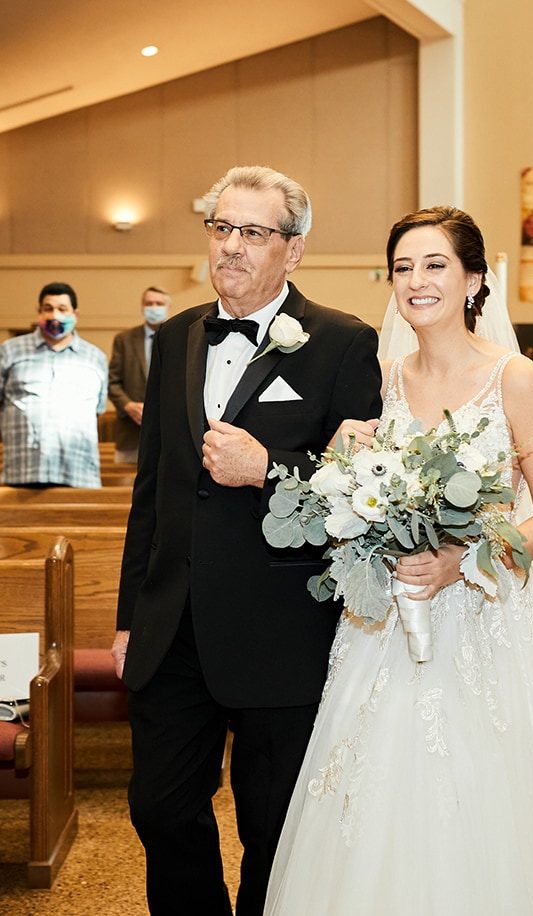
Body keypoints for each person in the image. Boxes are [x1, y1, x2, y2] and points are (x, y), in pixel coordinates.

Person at [263, 207, 533, 915]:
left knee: (492, 792)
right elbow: (352, 493)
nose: (416, 281)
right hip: (386, 632)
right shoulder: (379, 380)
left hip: (488, 622)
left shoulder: (516, 379)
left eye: (434, 264)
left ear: (473, 279)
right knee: (377, 798)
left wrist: (462, 559)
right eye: (403, 267)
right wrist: (347, 477)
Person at [111, 165, 383, 916]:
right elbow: (154, 490)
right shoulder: (176, 339)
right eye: (220, 227)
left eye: (253, 232)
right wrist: (132, 616)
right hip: (173, 630)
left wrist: (269, 468)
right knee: (161, 811)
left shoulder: (342, 343)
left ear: (292, 251)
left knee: (275, 829)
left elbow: (365, 486)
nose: (230, 246)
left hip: (282, 632)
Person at [0, 281, 108, 488]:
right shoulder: (9, 351)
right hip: (22, 469)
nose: (54, 315)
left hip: (78, 471)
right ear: (39, 312)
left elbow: (98, 411)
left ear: (75, 314)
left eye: (62, 309)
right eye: (48, 309)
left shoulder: (95, 357)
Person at [108, 285, 171, 462]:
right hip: (130, 436)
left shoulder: (181, 337)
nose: (154, 306)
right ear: (142, 306)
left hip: (169, 434)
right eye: (149, 303)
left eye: (159, 303)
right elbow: (112, 381)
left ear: (167, 307)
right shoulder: (124, 339)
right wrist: (127, 405)